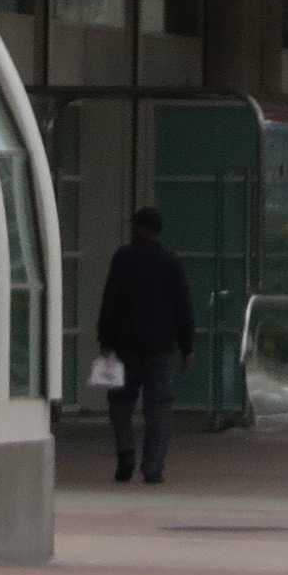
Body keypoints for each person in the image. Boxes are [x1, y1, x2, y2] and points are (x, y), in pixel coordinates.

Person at [93, 204, 194, 485]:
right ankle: (153, 467)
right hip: (160, 348)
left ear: (138, 227)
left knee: (120, 404)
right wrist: (187, 347)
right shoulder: (171, 262)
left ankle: (126, 452)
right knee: (158, 409)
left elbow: (109, 300)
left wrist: (105, 339)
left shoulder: (123, 258)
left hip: (124, 346)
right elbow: (183, 307)